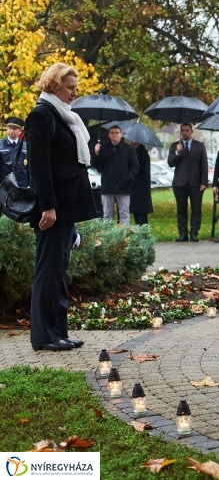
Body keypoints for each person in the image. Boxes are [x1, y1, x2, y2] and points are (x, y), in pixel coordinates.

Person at [25, 63, 97, 351]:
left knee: (59, 270)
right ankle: (43, 335)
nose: (74, 93)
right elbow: (39, 168)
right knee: (48, 270)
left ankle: (58, 331)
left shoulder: (65, 116)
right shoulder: (42, 115)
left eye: (75, 87)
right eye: (69, 87)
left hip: (66, 209)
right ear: (53, 85)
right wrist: (48, 207)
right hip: (52, 210)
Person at [167, 123, 208, 241]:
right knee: (181, 209)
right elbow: (170, 163)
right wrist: (177, 152)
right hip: (180, 183)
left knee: (196, 208)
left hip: (195, 183)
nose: (184, 132)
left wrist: (204, 182)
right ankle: (183, 234)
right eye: (182, 130)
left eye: (187, 130)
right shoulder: (175, 146)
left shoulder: (200, 146)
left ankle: (194, 233)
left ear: (191, 132)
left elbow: (204, 165)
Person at [92, 124, 138, 226]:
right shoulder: (103, 148)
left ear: (121, 134)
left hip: (124, 187)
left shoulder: (128, 149)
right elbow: (96, 165)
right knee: (107, 214)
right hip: (107, 186)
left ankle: (124, 236)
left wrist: (127, 179)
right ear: (108, 135)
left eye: (117, 133)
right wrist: (96, 153)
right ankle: (109, 237)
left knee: (124, 213)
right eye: (112, 133)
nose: (115, 135)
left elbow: (135, 167)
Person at [0, 116, 29, 187]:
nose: (12, 131)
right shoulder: (1, 145)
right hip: (5, 183)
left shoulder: (25, 145)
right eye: (10, 128)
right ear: (6, 128)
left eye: (15, 129)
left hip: (22, 183)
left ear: (19, 131)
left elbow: (29, 166)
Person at [129, 143, 153, 225]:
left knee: (141, 216)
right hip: (140, 188)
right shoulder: (140, 152)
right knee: (139, 214)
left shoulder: (140, 153)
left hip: (139, 188)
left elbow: (136, 168)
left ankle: (142, 234)